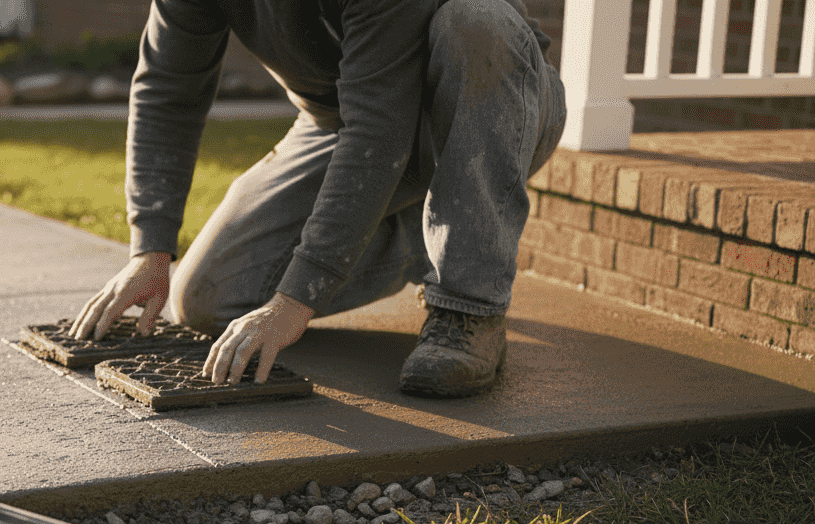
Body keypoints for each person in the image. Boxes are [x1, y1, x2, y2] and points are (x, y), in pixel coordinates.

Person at [69, 0, 565, 397]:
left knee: (477, 21)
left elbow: (380, 125)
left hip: (487, 99)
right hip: (337, 120)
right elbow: (167, 89)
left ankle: (467, 304)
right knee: (206, 299)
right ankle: (438, 231)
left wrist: (295, 300)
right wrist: (150, 248)